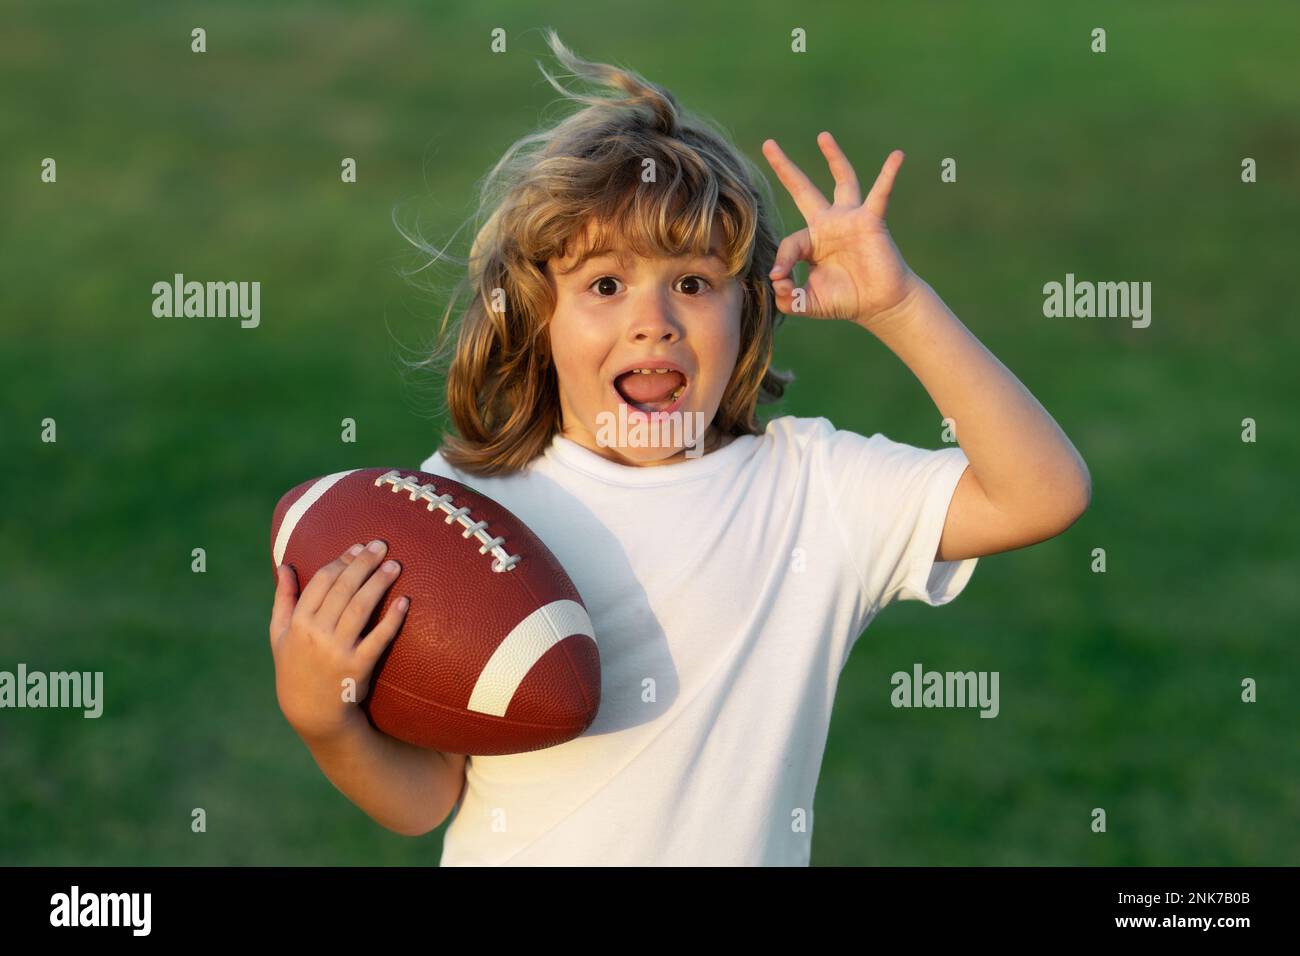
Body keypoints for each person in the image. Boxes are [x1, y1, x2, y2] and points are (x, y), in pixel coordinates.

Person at [269, 29, 1090, 866]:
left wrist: (901, 307)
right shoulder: (471, 504)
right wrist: (323, 718)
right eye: (605, 285)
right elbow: (428, 799)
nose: (653, 319)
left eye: (693, 283)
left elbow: (1043, 493)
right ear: (535, 314)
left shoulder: (816, 494)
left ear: (749, 312)